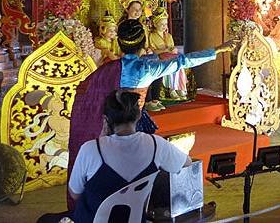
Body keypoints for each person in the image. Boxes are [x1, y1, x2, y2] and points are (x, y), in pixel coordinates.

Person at [67, 18, 235, 209]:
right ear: (144, 42)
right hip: (135, 126)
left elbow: (84, 92)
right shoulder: (146, 69)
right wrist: (217, 49)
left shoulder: (107, 69)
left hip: (111, 125)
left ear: (119, 43)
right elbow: (184, 61)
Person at [39, 91, 190, 223]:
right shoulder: (157, 145)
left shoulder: (91, 149)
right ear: (138, 115)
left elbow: (75, 194)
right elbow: (187, 164)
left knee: (44, 219)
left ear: (106, 120)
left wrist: (101, 139)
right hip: (134, 219)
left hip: (91, 219)